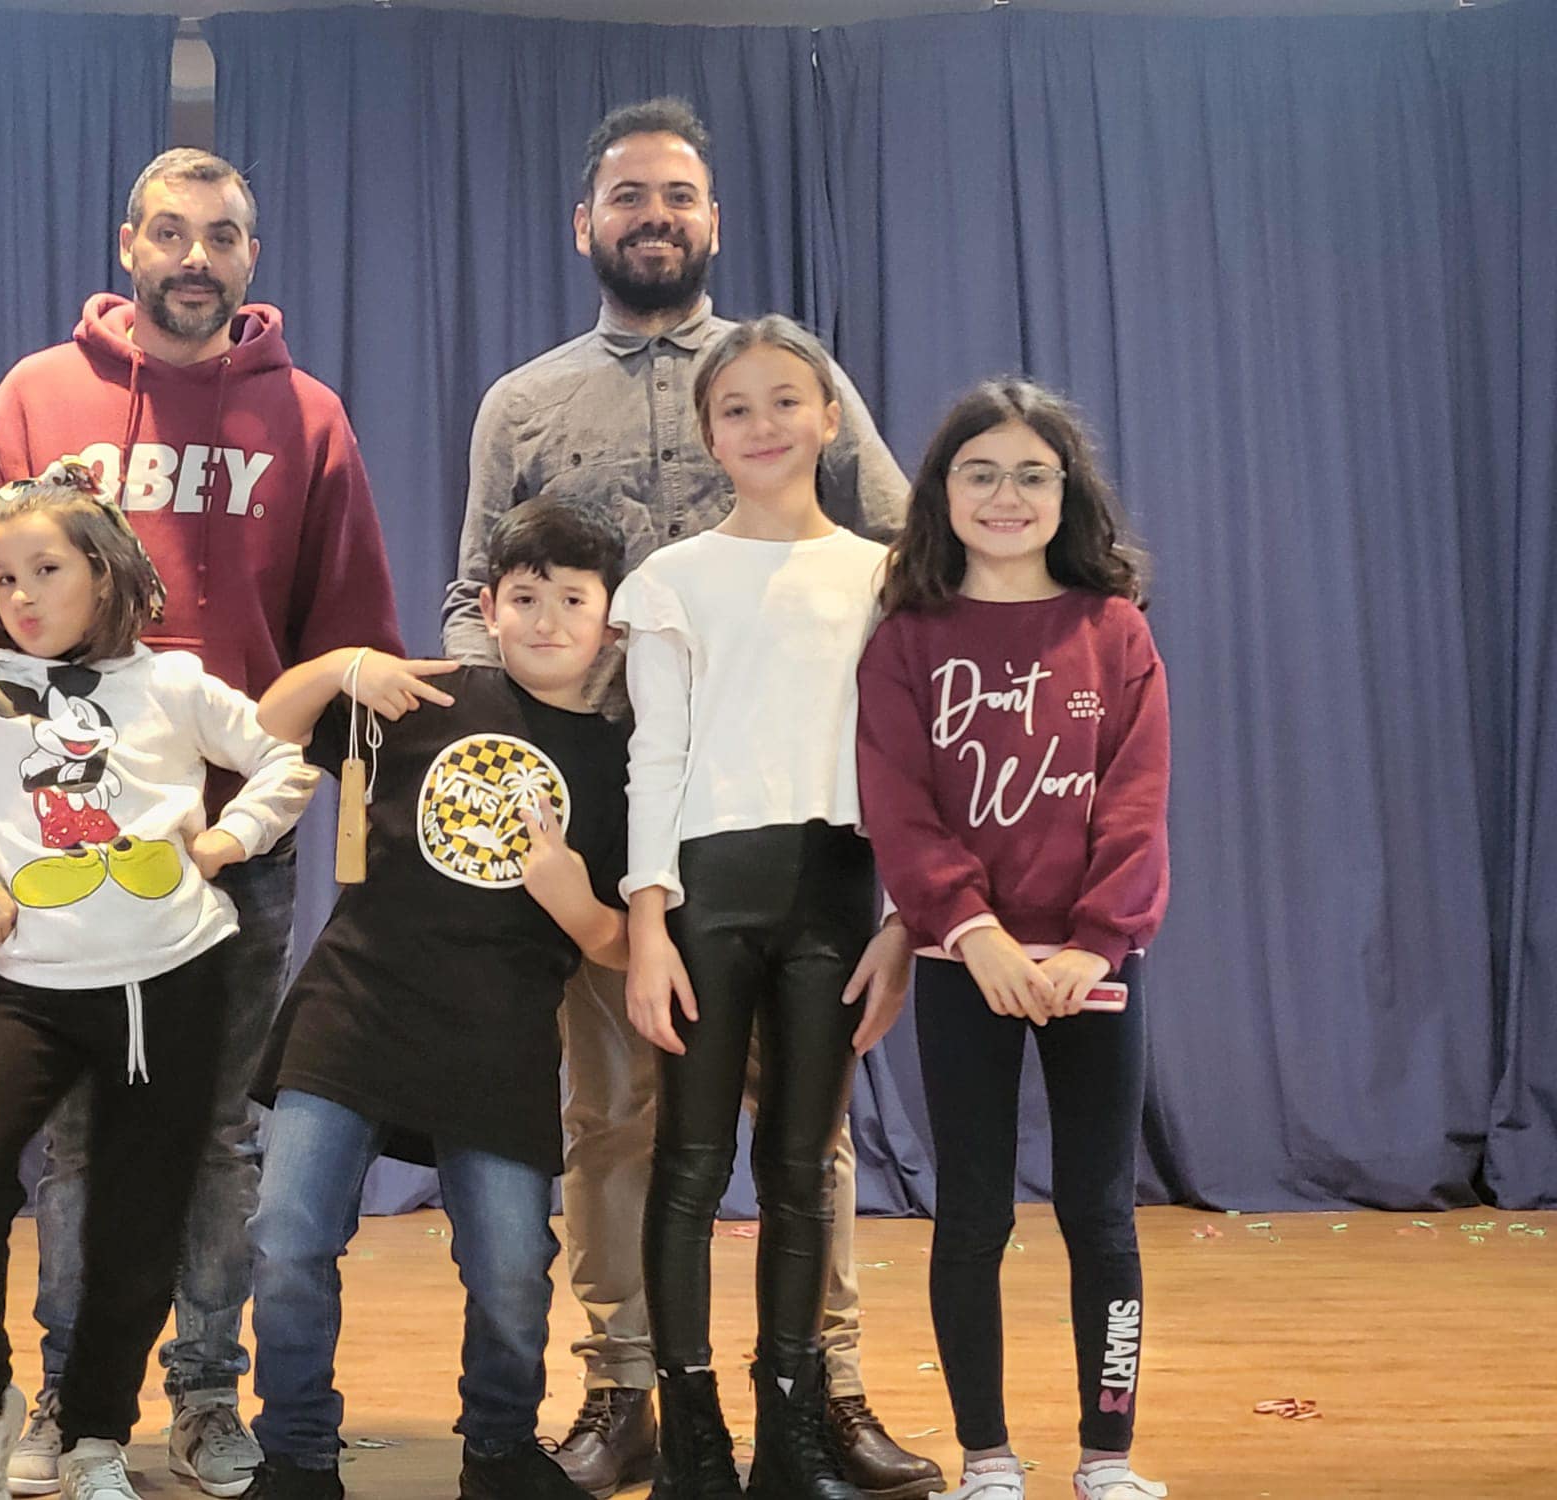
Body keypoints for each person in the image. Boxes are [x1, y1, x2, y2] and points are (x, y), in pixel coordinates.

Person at [0, 147, 401, 1498]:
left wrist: (342, 816)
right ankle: (64, 1393)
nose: (194, 257)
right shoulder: (38, 398)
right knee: (69, 1140)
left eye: (222, 236)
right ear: (127, 244)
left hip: (228, 859)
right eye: (171, 231)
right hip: (57, 863)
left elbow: (350, 638)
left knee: (213, 1134)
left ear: (251, 259)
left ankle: (207, 1393)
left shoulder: (310, 417)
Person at [440, 98, 937, 1500]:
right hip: (611, 802)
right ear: (586, 225)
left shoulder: (788, 379)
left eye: (677, 196)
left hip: (792, 808)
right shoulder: (524, 406)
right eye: (627, 197)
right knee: (614, 1114)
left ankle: (822, 1386)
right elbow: (470, 599)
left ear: (712, 221)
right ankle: (625, 1389)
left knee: (810, 1122)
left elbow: (909, 559)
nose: (652, 216)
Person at [0, 463, 316, 1500]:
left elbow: (285, 763)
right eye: (4, 579)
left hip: (175, 978)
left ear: (107, 572)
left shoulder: (170, 683)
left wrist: (230, 836)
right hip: (35, 990)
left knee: (139, 1221)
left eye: (48, 570)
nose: (25, 596)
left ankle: (95, 1438)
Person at [243, 499, 631, 1500]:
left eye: (572, 599)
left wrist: (578, 906)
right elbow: (262, 729)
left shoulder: (621, 761)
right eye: (525, 596)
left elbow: (625, 942)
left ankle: (499, 1451)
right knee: (287, 1240)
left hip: (497, 1039)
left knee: (509, 1270)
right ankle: (293, 1455)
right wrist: (338, 670)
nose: (546, 619)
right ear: (488, 608)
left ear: (608, 620)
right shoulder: (426, 695)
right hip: (352, 1011)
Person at [854, 379, 1170, 1500]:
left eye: (1032, 473)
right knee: (973, 1212)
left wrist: (1092, 943)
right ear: (940, 492)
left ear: (1065, 492)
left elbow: (1134, 806)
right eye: (979, 471)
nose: (1005, 494)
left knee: (1099, 1213)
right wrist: (971, 932)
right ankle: (985, 1453)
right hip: (960, 965)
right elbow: (897, 806)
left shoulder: (1114, 632)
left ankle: (1105, 1453)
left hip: (1095, 970)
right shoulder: (904, 639)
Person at [616, 317, 915, 1500]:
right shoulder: (671, 582)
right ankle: (691, 1432)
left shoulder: (883, 579)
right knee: (687, 1163)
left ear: (829, 419)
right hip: (703, 896)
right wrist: (646, 920)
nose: (761, 425)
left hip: (837, 891)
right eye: (734, 407)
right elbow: (655, 756)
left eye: (785, 401)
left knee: (800, 1164)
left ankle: (790, 1422)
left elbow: (903, 763)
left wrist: (900, 921)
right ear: (707, 434)